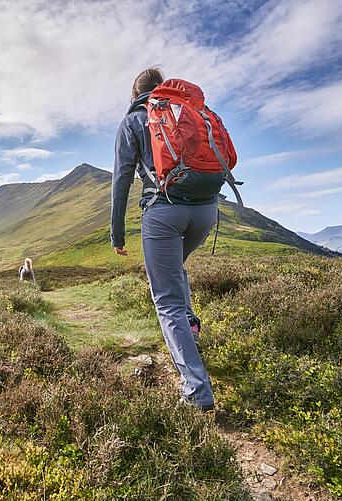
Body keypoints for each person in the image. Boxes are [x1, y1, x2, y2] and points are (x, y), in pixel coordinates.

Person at [110, 68, 217, 413]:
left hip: (164, 212)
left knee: (166, 300)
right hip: (206, 211)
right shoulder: (186, 113)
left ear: (134, 94)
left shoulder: (133, 121)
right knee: (175, 271)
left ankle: (196, 392)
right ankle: (191, 324)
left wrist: (117, 233)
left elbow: (122, 180)